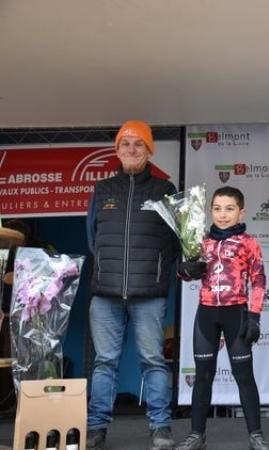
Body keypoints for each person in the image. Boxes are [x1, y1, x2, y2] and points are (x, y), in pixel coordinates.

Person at [86, 120, 179, 450]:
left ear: (150, 150)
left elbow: (178, 239)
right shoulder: (103, 190)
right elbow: (92, 237)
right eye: (125, 143)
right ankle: (96, 427)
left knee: (153, 360)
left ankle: (161, 427)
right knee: (104, 362)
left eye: (138, 144)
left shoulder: (164, 191)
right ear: (116, 149)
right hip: (106, 293)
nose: (131, 149)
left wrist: (165, 270)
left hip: (148, 294)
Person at [174, 186, 269, 450]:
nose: (223, 214)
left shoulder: (249, 242)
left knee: (244, 376)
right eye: (217, 208)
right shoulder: (199, 240)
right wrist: (185, 269)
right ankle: (196, 435)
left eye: (229, 209)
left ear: (241, 212)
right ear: (210, 211)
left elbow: (259, 280)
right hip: (205, 314)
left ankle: (256, 434)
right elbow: (184, 274)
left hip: (236, 314)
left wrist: (254, 317)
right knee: (203, 376)